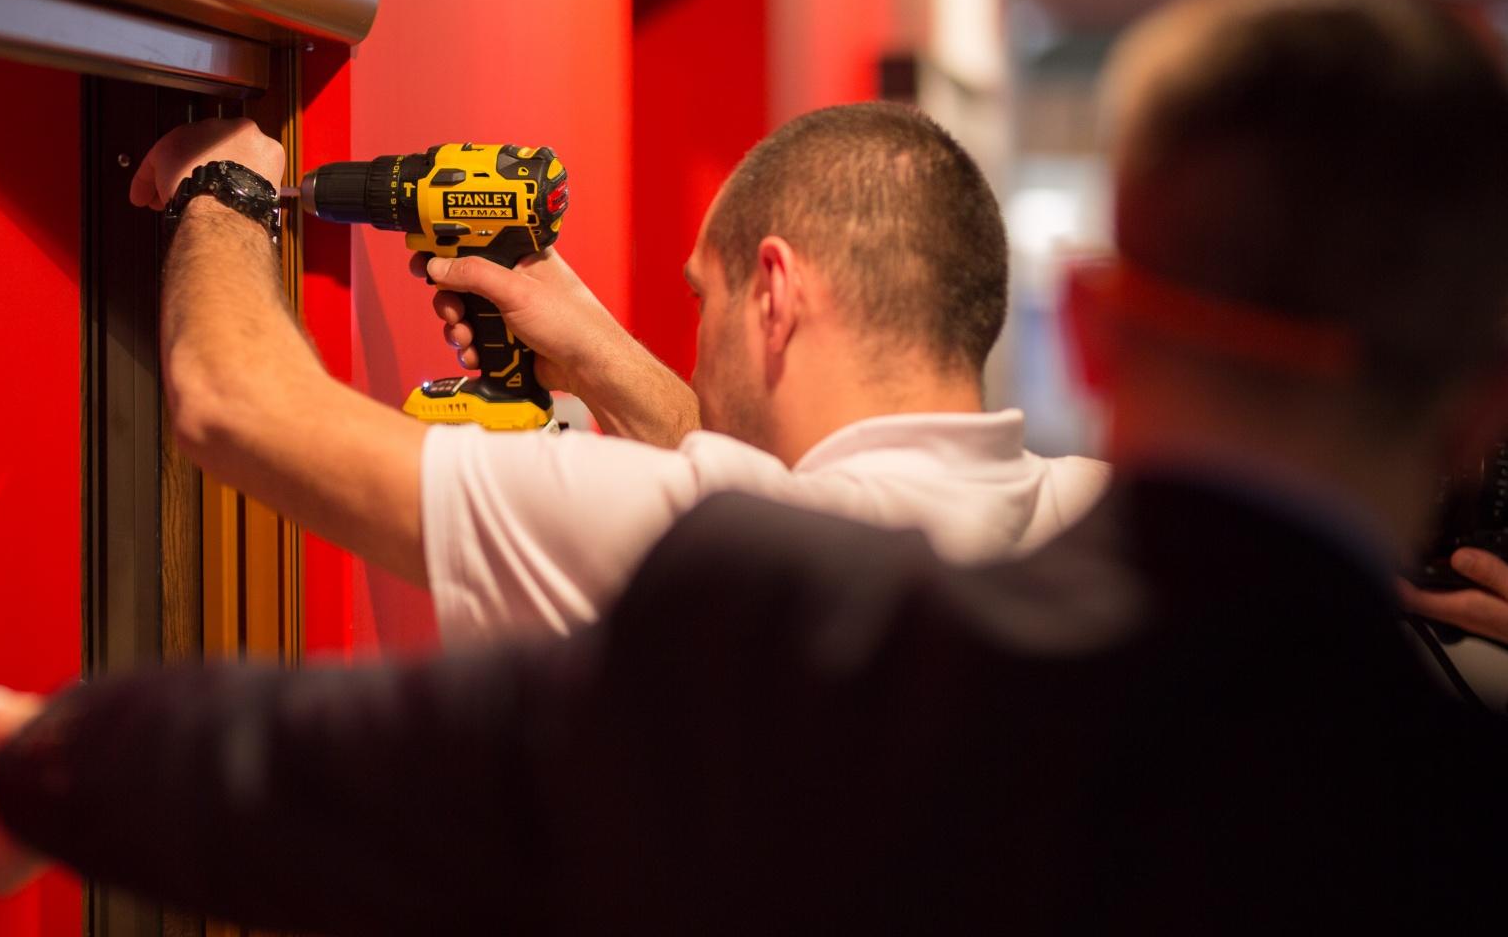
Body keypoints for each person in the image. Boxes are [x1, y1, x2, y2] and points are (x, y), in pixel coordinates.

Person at [0, 0, 1508, 929]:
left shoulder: (800, 638)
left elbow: (296, 741)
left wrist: (228, 183)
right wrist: (610, 361)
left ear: (1093, 327)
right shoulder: (1437, 794)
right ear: (1478, 407)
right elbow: (849, 490)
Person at [135, 101, 1105, 641]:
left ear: (774, 291)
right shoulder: (1097, 523)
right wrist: (596, 352)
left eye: (702, 298)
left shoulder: (700, 543)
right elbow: (782, 485)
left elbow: (234, 403)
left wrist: (223, 186)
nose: (696, 333)